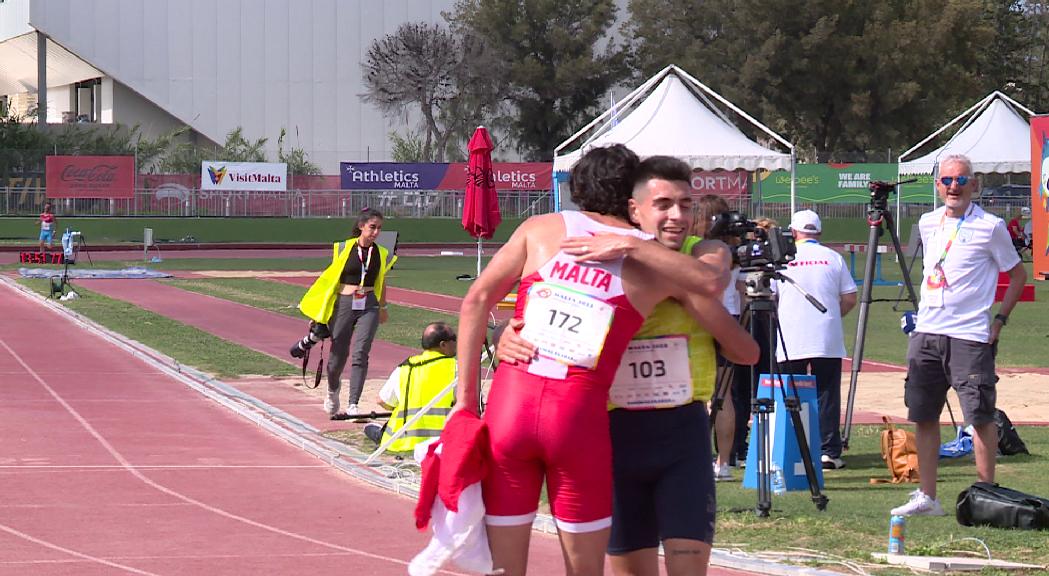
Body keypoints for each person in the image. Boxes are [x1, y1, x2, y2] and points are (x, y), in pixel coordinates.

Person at [455, 145, 728, 576]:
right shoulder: (656, 263)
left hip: (509, 412)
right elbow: (710, 283)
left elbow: (475, 300)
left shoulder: (541, 228)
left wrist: (465, 400)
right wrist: (634, 247)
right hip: (578, 421)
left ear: (577, 188)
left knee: (502, 569)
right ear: (633, 199)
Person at [890, 154, 1027, 517]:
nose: (954, 187)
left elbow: (1017, 276)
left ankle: (984, 496)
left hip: (969, 335)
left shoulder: (991, 226)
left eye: (962, 180)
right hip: (928, 332)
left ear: (974, 185)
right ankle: (927, 497)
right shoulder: (926, 222)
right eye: (948, 180)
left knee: (979, 417)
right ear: (938, 185)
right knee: (923, 415)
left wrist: (998, 321)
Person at [774, 209, 857, 470]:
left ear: (794, 231)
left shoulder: (783, 259)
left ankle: (791, 448)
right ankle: (828, 451)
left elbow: (771, 295)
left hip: (791, 336)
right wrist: (832, 316)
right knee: (827, 394)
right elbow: (850, 297)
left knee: (791, 393)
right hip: (826, 336)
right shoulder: (833, 258)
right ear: (818, 232)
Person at [297, 209, 395, 419]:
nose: (376, 232)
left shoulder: (383, 253)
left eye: (379, 228)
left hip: (369, 304)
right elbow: (328, 281)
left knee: (361, 352)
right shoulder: (343, 248)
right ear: (361, 226)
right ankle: (333, 390)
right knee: (337, 357)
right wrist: (319, 313)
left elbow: (382, 281)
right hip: (344, 302)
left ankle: (353, 404)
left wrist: (383, 307)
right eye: (372, 227)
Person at [363, 322, 457, 452]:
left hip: (400, 441)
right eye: (454, 338)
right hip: (444, 442)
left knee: (375, 430)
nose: (457, 343)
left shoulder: (406, 367)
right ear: (443, 345)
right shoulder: (456, 368)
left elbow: (382, 400)